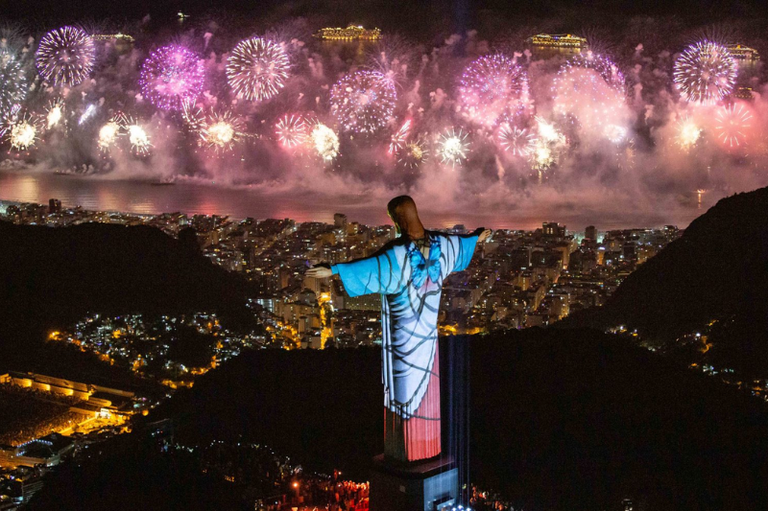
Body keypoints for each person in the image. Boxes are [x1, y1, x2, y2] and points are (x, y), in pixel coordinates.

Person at [306, 196, 491, 463]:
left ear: (398, 220)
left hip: (403, 340)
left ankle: (408, 455)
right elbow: (463, 245)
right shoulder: (443, 245)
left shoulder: (398, 254)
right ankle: (425, 452)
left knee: (403, 395)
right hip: (429, 340)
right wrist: (477, 237)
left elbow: (369, 268)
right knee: (427, 389)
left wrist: (333, 269)